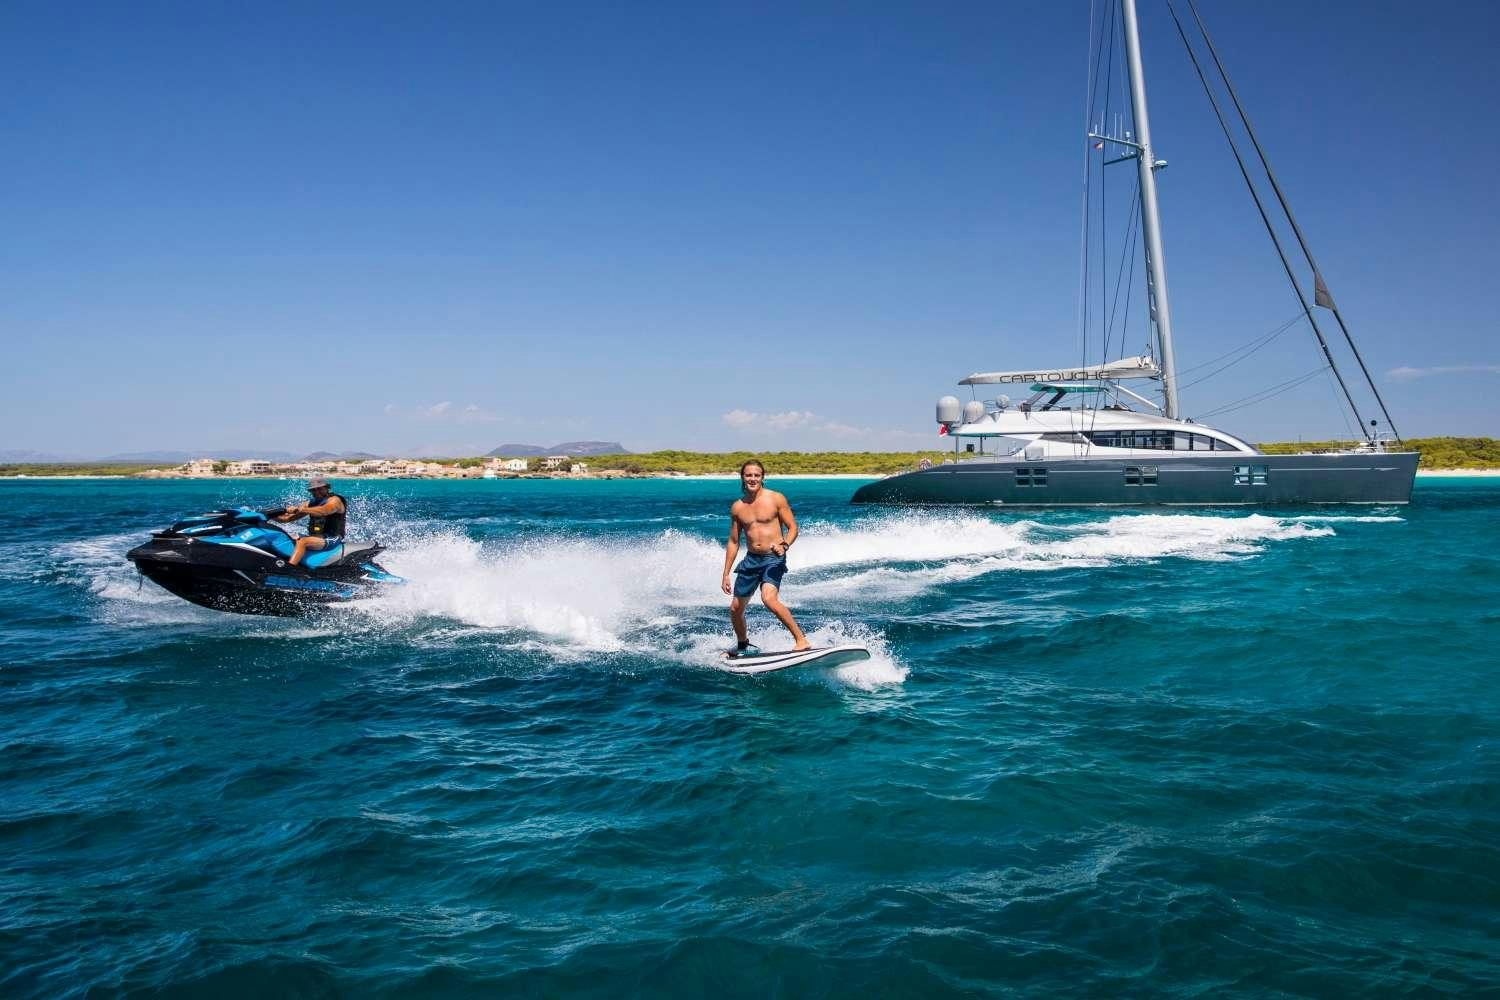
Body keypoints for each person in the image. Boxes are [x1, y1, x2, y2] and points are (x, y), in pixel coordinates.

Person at [721, 458, 809, 654]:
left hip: (773, 557)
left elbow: (793, 527)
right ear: (742, 478)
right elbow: (734, 542)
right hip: (751, 560)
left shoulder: (776, 498)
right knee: (735, 608)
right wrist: (726, 573)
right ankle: (743, 645)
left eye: (756, 475)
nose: (752, 479)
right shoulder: (737, 507)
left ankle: (801, 640)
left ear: (762, 477)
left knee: (768, 598)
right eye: (748, 475)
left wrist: (784, 544)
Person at [275, 477, 347, 568]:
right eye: (313, 490)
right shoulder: (310, 504)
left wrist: (300, 509)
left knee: (302, 542)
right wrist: (268, 516)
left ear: (327, 488)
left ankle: (289, 569)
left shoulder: (335, 500)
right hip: (316, 537)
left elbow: (324, 510)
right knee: (286, 537)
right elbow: (286, 519)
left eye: (319, 489)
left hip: (333, 538)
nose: (316, 492)